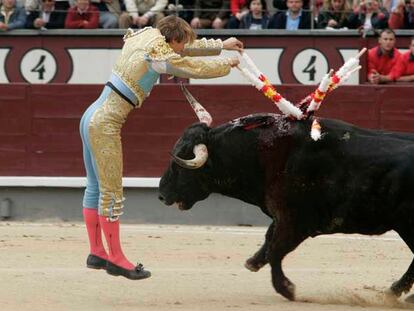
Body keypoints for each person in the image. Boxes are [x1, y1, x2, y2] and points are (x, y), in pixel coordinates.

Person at [79, 15, 243, 280]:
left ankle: (97, 251)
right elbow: (189, 66)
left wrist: (222, 44)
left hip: (91, 114)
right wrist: (226, 63)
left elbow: (182, 50)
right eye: (180, 43)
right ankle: (116, 259)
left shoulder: (147, 36)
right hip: (105, 122)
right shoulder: (159, 53)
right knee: (111, 193)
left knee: (95, 187)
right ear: (173, 39)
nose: (180, 48)